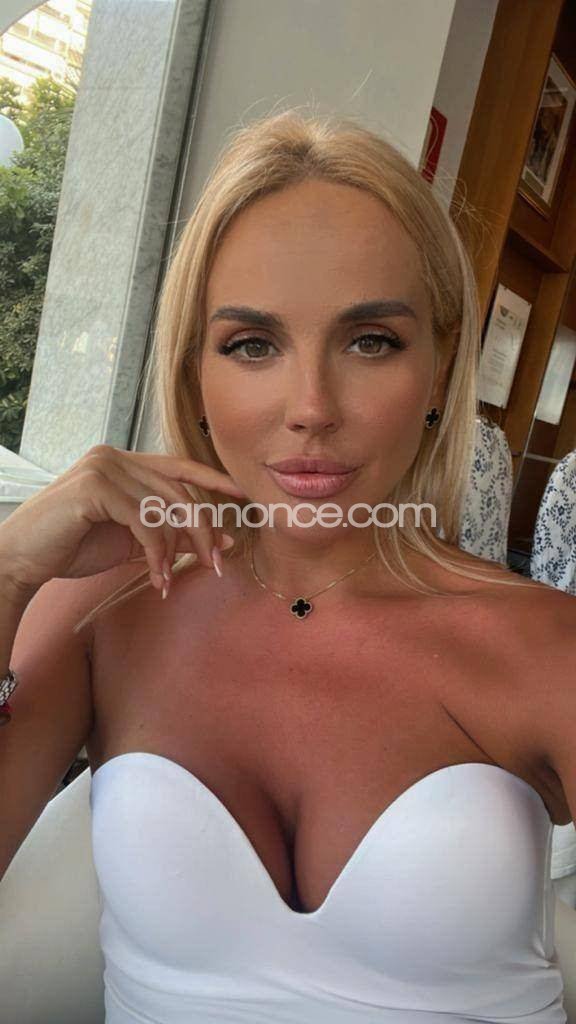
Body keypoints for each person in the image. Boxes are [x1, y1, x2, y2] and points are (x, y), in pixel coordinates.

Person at [1, 108, 575, 1024]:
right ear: (194, 370)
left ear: (438, 368)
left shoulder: (544, 646)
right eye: (253, 345)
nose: (311, 407)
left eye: (370, 340)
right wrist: (7, 574)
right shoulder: (102, 607)